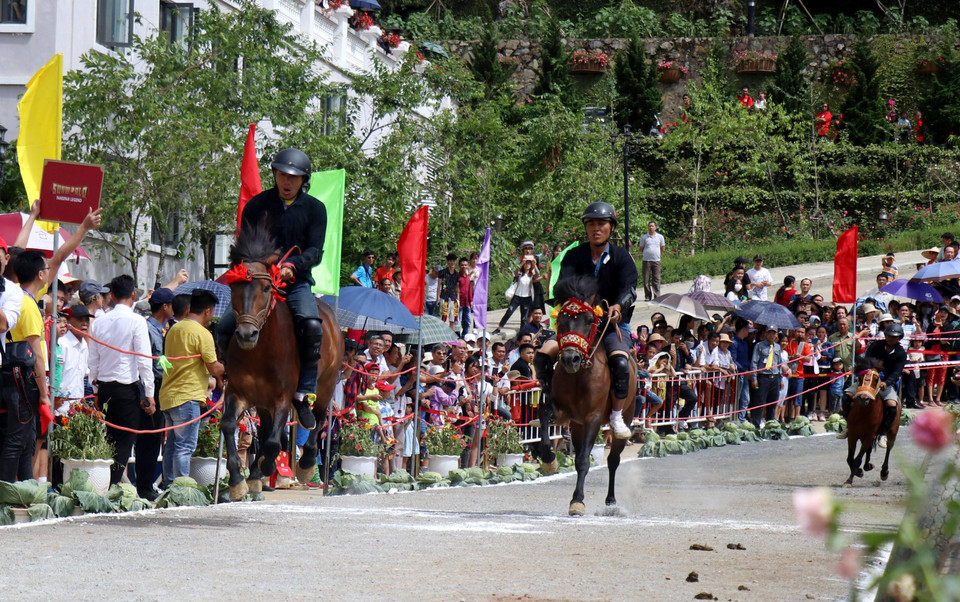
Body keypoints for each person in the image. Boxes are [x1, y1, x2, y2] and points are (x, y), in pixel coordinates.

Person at [218, 148, 327, 431]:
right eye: (281, 174)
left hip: (295, 281)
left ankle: (303, 393)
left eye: (293, 177)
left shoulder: (316, 209)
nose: (286, 181)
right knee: (224, 325)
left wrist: (294, 264)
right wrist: (255, 269)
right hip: (259, 282)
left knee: (313, 325)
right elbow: (244, 247)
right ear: (275, 175)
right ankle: (230, 379)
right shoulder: (256, 206)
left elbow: (316, 250)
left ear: (304, 179)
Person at [533, 201, 639, 439]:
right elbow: (562, 287)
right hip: (577, 324)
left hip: (611, 324)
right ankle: (552, 405)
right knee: (542, 355)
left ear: (611, 227)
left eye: (601, 223)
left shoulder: (622, 257)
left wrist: (618, 305)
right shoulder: (573, 255)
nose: (595, 228)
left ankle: (616, 415)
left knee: (621, 364)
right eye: (591, 224)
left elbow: (630, 289)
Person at [88, 275, 156, 486]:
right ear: (134, 295)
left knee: (108, 438)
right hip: (126, 388)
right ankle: (113, 485)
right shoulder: (137, 321)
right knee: (124, 441)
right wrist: (150, 394)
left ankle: (106, 483)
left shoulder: (99, 322)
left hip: (105, 387)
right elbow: (144, 360)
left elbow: (93, 360)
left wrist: (96, 390)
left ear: (112, 296)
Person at [159, 290, 223, 487]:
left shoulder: (174, 329)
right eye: (212, 312)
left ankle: (170, 485)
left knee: (171, 446)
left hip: (168, 395)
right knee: (185, 446)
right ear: (207, 311)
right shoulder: (203, 334)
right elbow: (214, 367)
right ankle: (183, 487)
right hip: (188, 396)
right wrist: (229, 367)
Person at [837, 323, 906, 448]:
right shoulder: (875, 346)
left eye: (894, 337)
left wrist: (886, 383)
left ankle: (883, 433)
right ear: (885, 335)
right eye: (889, 335)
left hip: (885, 383)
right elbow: (866, 362)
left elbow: (897, 372)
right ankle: (849, 426)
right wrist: (866, 375)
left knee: (892, 404)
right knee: (847, 396)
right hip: (868, 379)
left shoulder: (901, 353)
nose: (891, 338)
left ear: (899, 338)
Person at [140, 287, 175, 500]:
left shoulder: (164, 329)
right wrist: (172, 369)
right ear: (165, 306)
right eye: (172, 305)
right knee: (149, 440)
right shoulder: (148, 329)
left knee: (155, 440)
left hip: (160, 388)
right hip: (150, 388)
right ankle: (143, 486)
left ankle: (148, 484)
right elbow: (155, 361)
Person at [749, 326, 782, 428]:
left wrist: (780, 379)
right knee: (759, 401)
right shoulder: (759, 346)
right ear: (765, 334)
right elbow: (754, 362)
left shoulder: (777, 347)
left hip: (775, 376)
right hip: (763, 376)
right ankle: (756, 424)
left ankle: (770, 424)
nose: (772, 335)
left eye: (774, 333)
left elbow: (779, 363)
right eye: (770, 333)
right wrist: (754, 378)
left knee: (772, 402)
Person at [638, 221, 665, 301]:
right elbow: (641, 248)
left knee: (656, 279)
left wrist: (657, 254)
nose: (651, 227)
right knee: (646, 279)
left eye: (652, 226)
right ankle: (647, 296)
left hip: (656, 260)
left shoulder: (660, 237)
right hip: (646, 260)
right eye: (649, 226)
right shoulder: (644, 237)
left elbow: (662, 247)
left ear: (655, 227)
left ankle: (657, 296)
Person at [438, 253, 460, 331]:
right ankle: (442, 335)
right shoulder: (443, 272)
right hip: (444, 296)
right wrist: (438, 297)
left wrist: (458, 298)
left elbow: (457, 287)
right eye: (450, 261)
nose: (452, 262)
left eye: (453, 261)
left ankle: (452, 337)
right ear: (448, 262)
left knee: (452, 319)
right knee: (443, 318)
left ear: (455, 262)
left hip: (453, 297)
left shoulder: (457, 274)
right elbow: (439, 285)